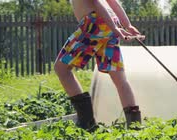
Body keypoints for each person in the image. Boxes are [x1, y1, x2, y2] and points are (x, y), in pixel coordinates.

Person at [54, 0, 144, 129]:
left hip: (95, 23)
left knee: (61, 69)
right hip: (110, 22)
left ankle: (87, 122)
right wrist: (126, 25)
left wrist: (116, 28)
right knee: (120, 79)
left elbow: (95, 2)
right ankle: (135, 126)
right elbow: (113, 2)